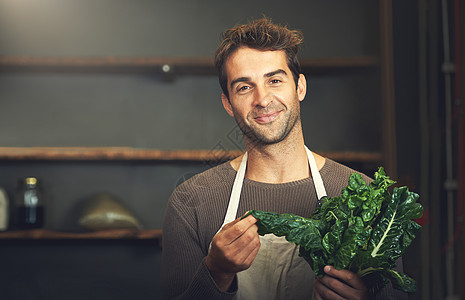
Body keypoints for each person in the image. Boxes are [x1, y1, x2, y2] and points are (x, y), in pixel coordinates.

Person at [160, 18, 408, 300]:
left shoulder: (364, 197)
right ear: (228, 104)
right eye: (244, 87)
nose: (263, 99)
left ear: (299, 87)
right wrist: (216, 272)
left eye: (275, 80)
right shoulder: (191, 202)